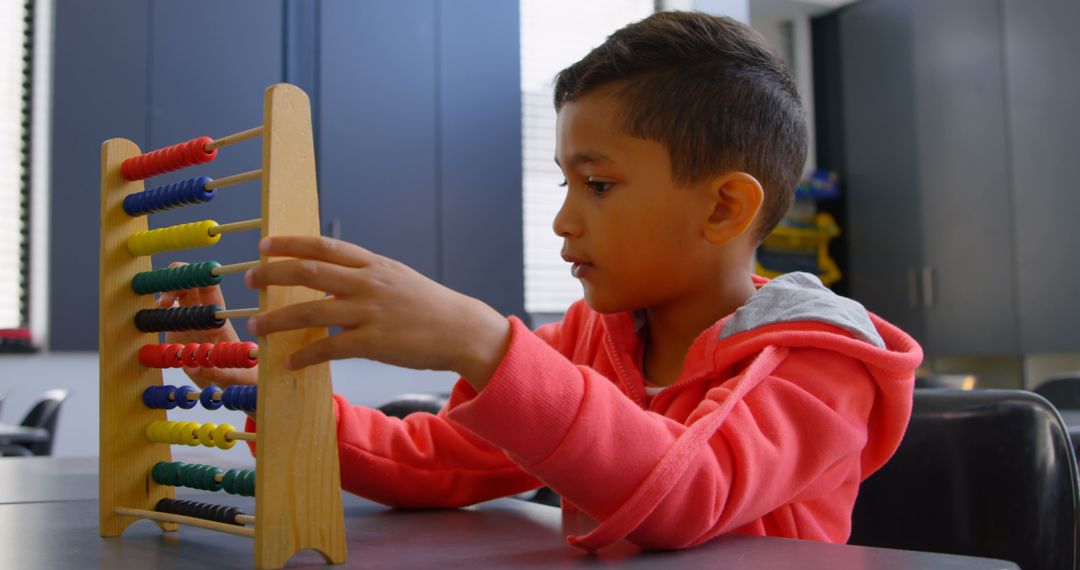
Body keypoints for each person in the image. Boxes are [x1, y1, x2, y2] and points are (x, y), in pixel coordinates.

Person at [160, 11, 922, 551]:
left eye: (596, 186)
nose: (563, 221)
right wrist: (244, 380)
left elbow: (689, 493)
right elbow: (425, 462)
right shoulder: (594, 339)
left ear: (724, 206)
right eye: (563, 184)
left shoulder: (821, 361)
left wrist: (485, 345)